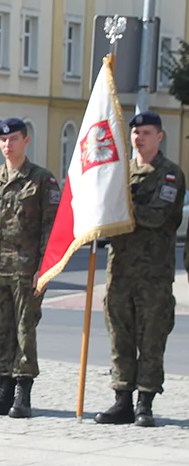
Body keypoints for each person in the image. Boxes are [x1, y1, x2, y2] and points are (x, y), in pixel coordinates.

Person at [95, 111, 185, 427]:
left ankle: (144, 401)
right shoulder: (119, 175)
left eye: (146, 133)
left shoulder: (170, 175)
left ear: (159, 136)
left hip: (154, 274)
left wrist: (119, 203)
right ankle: (121, 398)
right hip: (119, 270)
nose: (139, 138)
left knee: (151, 336)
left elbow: (155, 216)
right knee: (119, 336)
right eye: (135, 133)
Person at [0, 118, 58, 419]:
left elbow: (51, 228)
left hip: (26, 269)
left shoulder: (41, 180)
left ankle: (22, 392)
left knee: (25, 329)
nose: (8, 145)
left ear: (26, 141)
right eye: (3, 140)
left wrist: (44, 268)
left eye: (14, 139)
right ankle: (3, 388)